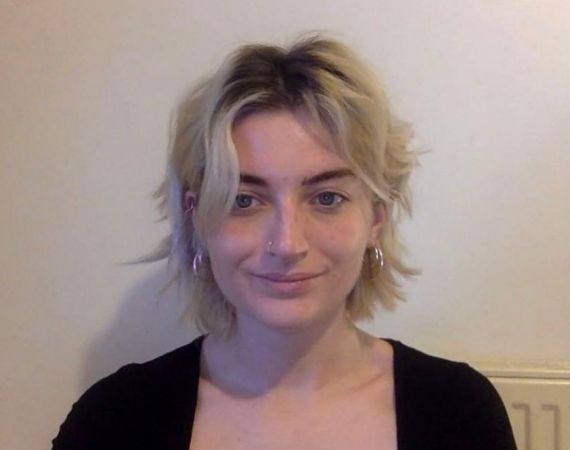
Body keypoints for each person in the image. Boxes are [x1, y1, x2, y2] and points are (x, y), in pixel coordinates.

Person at [52, 34, 517, 450]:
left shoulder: (458, 413)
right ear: (197, 216)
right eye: (244, 200)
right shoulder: (115, 420)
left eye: (327, 197)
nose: (287, 243)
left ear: (377, 215)